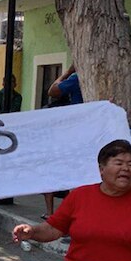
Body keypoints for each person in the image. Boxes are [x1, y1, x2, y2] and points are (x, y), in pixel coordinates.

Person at [42, 65, 83, 219]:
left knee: (54, 174)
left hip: (71, 136)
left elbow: (52, 90)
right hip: (81, 136)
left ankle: (53, 213)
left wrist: (68, 72)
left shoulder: (76, 79)